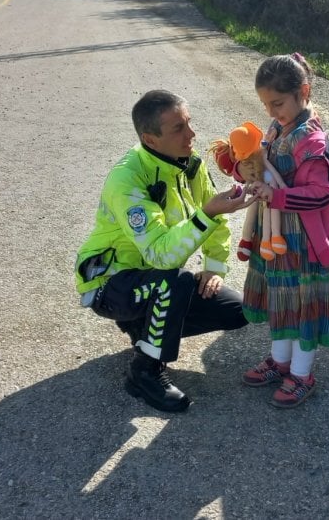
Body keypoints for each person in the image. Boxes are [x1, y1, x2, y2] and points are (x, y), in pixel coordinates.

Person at [75, 90, 254, 413]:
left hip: (155, 278)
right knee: (174, 282)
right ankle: (144, 371)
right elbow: (162, 256)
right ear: (151, 139)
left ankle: (144, 329)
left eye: (189, 123)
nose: (191, 134)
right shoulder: (127, 179)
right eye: (178, 129)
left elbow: (217, 213)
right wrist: (207, 215)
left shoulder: (190, 164)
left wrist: (214, 267)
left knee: (239, 311)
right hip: (110, 284)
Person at [239, 53, 329, 408]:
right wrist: (246, 170)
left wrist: (277, 195)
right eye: (266, 104)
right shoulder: (277, 128)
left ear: (304, 92)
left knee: (303, 311)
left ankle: (302, 374)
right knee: (283, 302)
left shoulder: (310, 140)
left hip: (304, 242)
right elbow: (263, 162)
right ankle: (280, 362)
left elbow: (323, 192)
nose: (271, 112)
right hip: (278, 240)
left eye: (278, 103)